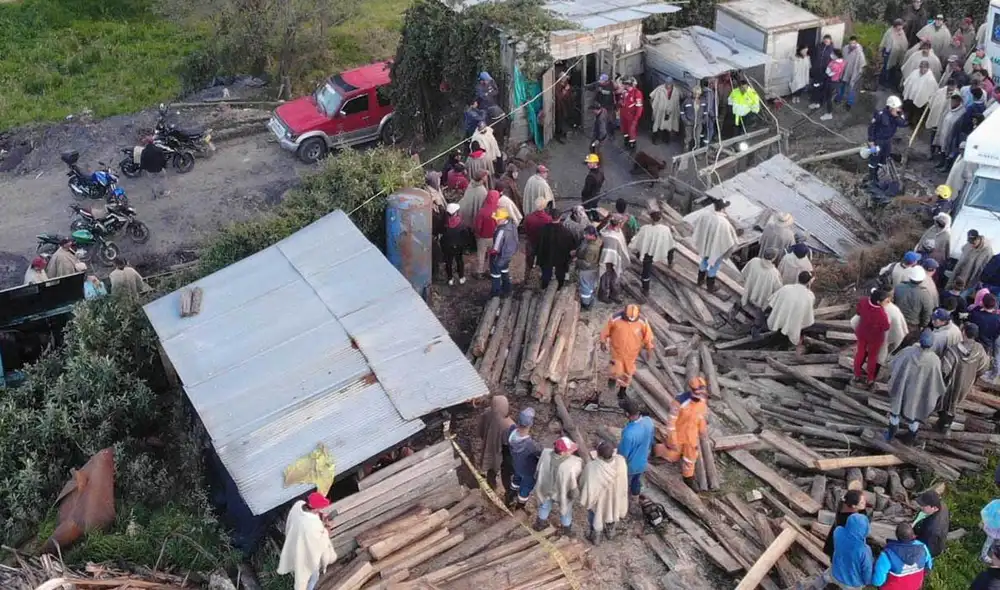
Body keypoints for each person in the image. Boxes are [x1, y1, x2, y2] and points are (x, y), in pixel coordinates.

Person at [887, 330, 946, 443]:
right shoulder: (934, 360)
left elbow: (893, 365)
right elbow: (937, 381)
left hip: (902, 389)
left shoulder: (907, 352)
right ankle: (910, 438)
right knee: (916, 413)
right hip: (919, 393)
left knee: (895, 411)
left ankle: (890, 435)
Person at [276, 492, 337, 590]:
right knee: (313, 576)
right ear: (315, 508)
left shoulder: (299, 505)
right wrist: (327, 527)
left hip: (295, 544)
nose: (321, 509)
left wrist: (320, 516)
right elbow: (321, 541)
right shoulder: (310, 526)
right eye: (319, 508)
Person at [939, 323, 990, 431]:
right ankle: (947, 424)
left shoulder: (953, 351)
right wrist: (974, 375)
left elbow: (944, 370)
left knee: (946, 404)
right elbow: (984, 367)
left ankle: (942, 425)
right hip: (967, 383)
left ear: (963, 333)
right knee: (956, 403)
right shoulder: (979, 350)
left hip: (951, 385)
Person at [578, 441, 629, 546]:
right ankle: (610, 532)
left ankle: (596, 536)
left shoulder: (592, 467)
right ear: (612, 453)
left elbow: (584, 483)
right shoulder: (621, 462)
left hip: (598, 500)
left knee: (594, 514)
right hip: (615, 497)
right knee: (612, 511)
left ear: (599, 454)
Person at [600, 304, 654, 399]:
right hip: (616, 351)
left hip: (631, 354)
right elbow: (606, 330)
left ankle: (622, 391)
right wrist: (603, 341)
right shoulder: (615, 318)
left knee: (628, 373)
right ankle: (612, 379)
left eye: (633, 319)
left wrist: (649, 349)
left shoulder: (643, 322)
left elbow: (648, 337)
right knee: (615, 369)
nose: (630, 321)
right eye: (629, 318)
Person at [533, 436, 583, 535]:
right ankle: (566, 531)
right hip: (563, 492)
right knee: (566, 511)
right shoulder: (572, 464)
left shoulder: (545, 454)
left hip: (546, 488)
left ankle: (540, 524)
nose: (571, 452)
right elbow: (574, 485)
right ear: (562, 452)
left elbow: (538, 471)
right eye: (569, 450)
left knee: (544, 506)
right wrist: (574, 494)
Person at [664, 376, 709, 485]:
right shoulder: (680, 401)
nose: (699, 395)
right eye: (697, 392)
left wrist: (702, 431)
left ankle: (688, 479)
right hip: (678, 435)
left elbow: (701, 417)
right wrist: (672, 438)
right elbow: (671, 422)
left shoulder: (703, 401)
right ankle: (655, 451)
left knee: (690, 458)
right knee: (671, 456)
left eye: (701, 392)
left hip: (692, 436)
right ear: (691, 390)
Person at [692, 199, 738, 293]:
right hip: (716, 248)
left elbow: (697, 224)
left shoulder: (705, 215)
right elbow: (730, 240)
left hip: (705, 246)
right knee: (713, 266)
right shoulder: (724, 223)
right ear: (723, 208)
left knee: (704, 261)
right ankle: (710, 287)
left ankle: (699, 281)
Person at [766, 270, 816, 351]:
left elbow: (772, 301)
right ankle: (782, 348)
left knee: (779, 331)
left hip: (781, 318)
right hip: (794, 321)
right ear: (808, 282)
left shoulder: (786, 288)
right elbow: (808, 314)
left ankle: (773, 345)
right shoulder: (810, 296)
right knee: (788, 335)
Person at [872, 523, 933, 589]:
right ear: (913, 535)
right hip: (915, 587)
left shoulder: (887, 555)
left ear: (897, 536)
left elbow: (877, 582)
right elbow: (929, 566)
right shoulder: (923, 548)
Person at [478, 395, 515, 503]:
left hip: (489, 449)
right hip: (502, 452)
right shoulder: (509, 425)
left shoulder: (487, 413)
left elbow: (480, 430)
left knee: (491, 470)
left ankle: (491, 486)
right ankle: (509, 497)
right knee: (506, 475)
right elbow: (510, 445)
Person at [629, 211, 676, 295]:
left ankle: (645, 289)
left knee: (646, 270)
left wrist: (639, 251)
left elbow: (637, 241)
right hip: (659, 250)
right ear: (660, 219)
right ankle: (670, 262)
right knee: (671, 247)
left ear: (651, 219)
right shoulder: (665, 229)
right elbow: (670, 243)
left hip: (647, 253)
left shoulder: (645, 228)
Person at [618, 398, 654, 502]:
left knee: (624, 481)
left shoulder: (628, 433)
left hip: (630, 465)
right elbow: (651, 440)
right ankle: (635, 498)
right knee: (636, 481)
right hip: (643, 461)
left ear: (627, 413)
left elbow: (623, 454)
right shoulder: (649, 422)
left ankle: (621, 499)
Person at [740, 248, 783, 336]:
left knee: (747, 304)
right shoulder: (774, 273)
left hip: (748, 293)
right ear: (773, 258)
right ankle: (755, 329)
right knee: (760, 315)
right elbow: (778, 290)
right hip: (760, 301)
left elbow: (744, 273)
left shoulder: (754, 261)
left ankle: (745, 317)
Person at [853, 289, 892, 386]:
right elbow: (886, 327)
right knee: (872, 357)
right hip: (875, 337)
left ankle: (856, 373)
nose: (888, 302)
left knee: (860, 353)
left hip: (862, 332)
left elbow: (858, 311)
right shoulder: (881, 313)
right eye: (886, 301)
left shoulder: (863, 301)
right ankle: (870, 378)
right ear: (879, 302)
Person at [829, 513, 875, 590]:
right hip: (852, 583)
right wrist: (867, 582)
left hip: (835, 574)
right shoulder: (864, 549)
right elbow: (867, 570)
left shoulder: (837, 532)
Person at [508, 408, 543, 510]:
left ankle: (511, 495)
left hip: (516, 464)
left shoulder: (511, 430)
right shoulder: (531, 445)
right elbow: (541, 454)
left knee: (516, 479)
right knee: (525, 488)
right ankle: (520, 506)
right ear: (530, 424)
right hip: (528, 471)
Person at [823, 489, 868, 557]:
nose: (865, 502)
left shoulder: (843, 508)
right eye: (862, 502)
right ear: (854, 506)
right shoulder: (851, 520)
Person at [536, 215, 577, 289]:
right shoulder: (566, 231)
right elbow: (571, 246)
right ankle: (559, 287)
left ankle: (544, 286)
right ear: (560, 217)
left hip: (546, 256)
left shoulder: (543, 229)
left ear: (550, 217)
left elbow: (538, 243)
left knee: (546, 272)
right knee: (560, 273)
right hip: (561, 257)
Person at [895, 266, 935, 339]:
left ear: (910, 277)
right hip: (911, 328)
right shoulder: (925, 295)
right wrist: (923, 325)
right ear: (922, 279)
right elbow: (927, 313)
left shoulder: (899, 287)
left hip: (896, 321)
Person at [598, 217, 630, 303]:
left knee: (615, 276)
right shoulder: (611, 235)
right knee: (606, 276)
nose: (622, 225)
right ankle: (603, 295)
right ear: (618, 224)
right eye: (621, 223)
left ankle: (614, 295)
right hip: (607, 259)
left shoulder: (614, 231)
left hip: (614, 257)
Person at [488, 207, 518, 298]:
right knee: (505, 271)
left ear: (502, 219)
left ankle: (496, 293)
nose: (496, 221)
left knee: (495, 274)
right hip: (508, 254)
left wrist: (490, 252)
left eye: (497, 219)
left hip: (499, 256)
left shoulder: (501, 231)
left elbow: (495, 249)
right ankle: (507, 289)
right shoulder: (512, 225)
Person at [935, 93, 966, 170]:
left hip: (953, 135)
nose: (952, 103)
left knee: (949, 151)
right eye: (951, 101)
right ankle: (941, 162)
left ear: (958, 102)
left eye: (954, 102)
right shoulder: (950, 109)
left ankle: (946, 166)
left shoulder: (962, 112)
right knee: (942, 148)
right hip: (944, 132)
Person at [913, 490, 950, 557]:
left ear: (934, 508)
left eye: (924, 506)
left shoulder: (933, 529)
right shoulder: (942, 505)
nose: (921, 507)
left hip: (931, 545)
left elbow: (930, 551)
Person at [473, 190, 501, 278]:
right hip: (494, 238)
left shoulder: (482, 211)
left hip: (482, 238)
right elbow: (502, 224)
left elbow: (478, 226)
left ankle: (479, 272)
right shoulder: (499, 211)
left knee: (481, 255)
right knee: (492, 255)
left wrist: (477, 234)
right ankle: (490, 270)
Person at [440, 203, 469, 286]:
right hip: (458, 247)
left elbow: (441, 236)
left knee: (448, 262)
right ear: (456, 212)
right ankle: (461, 277)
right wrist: (464, 246)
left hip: (447, 247)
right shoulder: (462, 224)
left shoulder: (444, 224)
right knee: (459, 261)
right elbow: (466, 237)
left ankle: (450, 279)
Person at [523, 199, 553, 274]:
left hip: (531, 242)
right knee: (544, 263)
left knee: (529, 262)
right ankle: (543, 278)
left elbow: (525, 230)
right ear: (545, 206)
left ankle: (527, 277)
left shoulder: (528, 217)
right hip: (543, 244)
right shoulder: (548, 219)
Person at [577, 226, 602, 309]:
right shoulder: (595, 240)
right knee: (590, 285)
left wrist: (577, 261)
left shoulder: (592, 248)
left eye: (586, 234)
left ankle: (586, 303)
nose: (584, 236)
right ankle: (590, 298)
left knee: (585, 286)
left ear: (592, 235)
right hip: (594, 268)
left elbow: (586, 263)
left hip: (588, 270)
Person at [880, 19, 910, 88]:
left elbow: (904, 42)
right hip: (888, 52)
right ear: (895, 26)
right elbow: (885, 42)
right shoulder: (890, 32)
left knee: (893, 67)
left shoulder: (901, 32)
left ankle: (891, 81)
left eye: (901, 26)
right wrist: (884, 51)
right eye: (898, 26)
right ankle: (883, 81)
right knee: (886, 67)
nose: (900, 27)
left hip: (897, 54)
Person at [650, 77, 681, 144]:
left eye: (669, 84)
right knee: (657, 125)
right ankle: (655, 139)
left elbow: (677, 101)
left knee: (667, 126)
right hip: (659, 111)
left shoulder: (676, 91)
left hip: (670, 112)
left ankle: (666, 139)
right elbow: (651, 97)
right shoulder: (660, 89)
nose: (667, 85)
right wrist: (653, 107)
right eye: (666, 84)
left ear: (672, 84)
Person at [809, 35, 835, 109]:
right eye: (825, 40)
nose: (826, 42)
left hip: (825, 72)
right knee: (815, 86)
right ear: (823, 40)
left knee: (822, 87)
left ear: (830, 41)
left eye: (828, 41)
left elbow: (833, 61)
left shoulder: (832, 50)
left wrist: (829, 71)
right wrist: (813, 66)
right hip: (817, 70)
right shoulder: (818, 47)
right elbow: (813, 56)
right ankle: (814, 101)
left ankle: (819, 102)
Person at [820, 49, 846, 121]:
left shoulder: (835, 64)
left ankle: (829, 114)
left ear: (836, 55)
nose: (831, 55)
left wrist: (828, 69)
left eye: (833, 54)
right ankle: (828, 110)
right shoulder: (842, 62)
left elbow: (828, 73)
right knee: (829, 97)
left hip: (831, 82)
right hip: (836, 82)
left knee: (829, 98)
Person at [681, 84, 708, 150]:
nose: (696, 95)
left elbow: (706, 112)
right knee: (688, 137)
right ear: (692, 93)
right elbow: (682, 112)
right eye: (695, 94)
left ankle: (697, 152)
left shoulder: (703, 101)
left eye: (698, 94)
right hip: (689, 123)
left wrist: (703, 120)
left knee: (697, 138)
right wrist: (685, 121)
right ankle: (686, 151)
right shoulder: (687, 101)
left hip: (698, 123)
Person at [619, 77, 643, 150]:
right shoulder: (624, 92)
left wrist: (636, 119)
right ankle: (626, 141)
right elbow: (621, 100)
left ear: (628, 84)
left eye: (623, 84)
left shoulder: (637, 93)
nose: (622, 85)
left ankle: (632, 145)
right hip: (624, 114)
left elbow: (639, 107)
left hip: (631, 116)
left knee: (631, 130)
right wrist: (620, 102)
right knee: (624, 129)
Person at [581, 153, 604, 221]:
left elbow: (587, 190)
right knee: (594, 209)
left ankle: (588, 222)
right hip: (596, 195)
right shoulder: (601, 172)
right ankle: (596, 220)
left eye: (590, 163)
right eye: (588, 162)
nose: (588, 164)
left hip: (588, 198)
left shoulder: (590, 176)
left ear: (595, 163)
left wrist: (583, 196)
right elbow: (603, 180)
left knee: (587, 211)